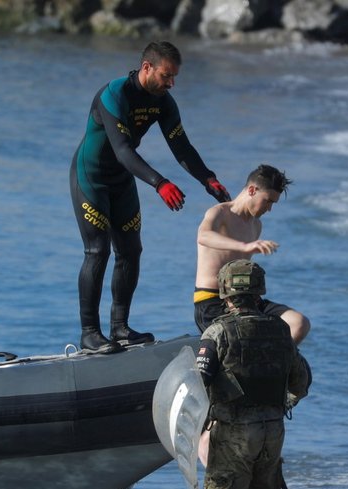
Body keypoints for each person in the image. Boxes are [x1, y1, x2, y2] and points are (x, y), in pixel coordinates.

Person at [70, 40, 231, 354]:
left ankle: (119, 328)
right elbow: (122, 150)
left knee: (131, 250)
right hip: (91, 177)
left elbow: (181, 147)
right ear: (147, 68)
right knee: (97, 251)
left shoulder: (163, 102)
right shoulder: (113, 95)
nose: (171, 83)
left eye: (174, 78)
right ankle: (90, 333)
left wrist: (207, 178)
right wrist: (160, 183)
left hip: (122, 180)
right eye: (166, 76)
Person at [194, 259, 311, 489]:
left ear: (226, 295)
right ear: (259, 292)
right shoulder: (279, 330)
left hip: (232, 431)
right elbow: (300, 382)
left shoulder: (216, 333)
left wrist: (205, 425)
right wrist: (278, 407)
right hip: (272, 430)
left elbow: (198, 384)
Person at [194, 164, 310, 344]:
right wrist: (244, 246)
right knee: (250, 341)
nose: (269, 209)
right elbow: (203, 236)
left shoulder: (256, 225)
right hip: (213, 302)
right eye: (268, 201)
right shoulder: (221, 213)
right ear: (252, 190)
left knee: (299, 323)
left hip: (247, 301)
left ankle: (277, 366)